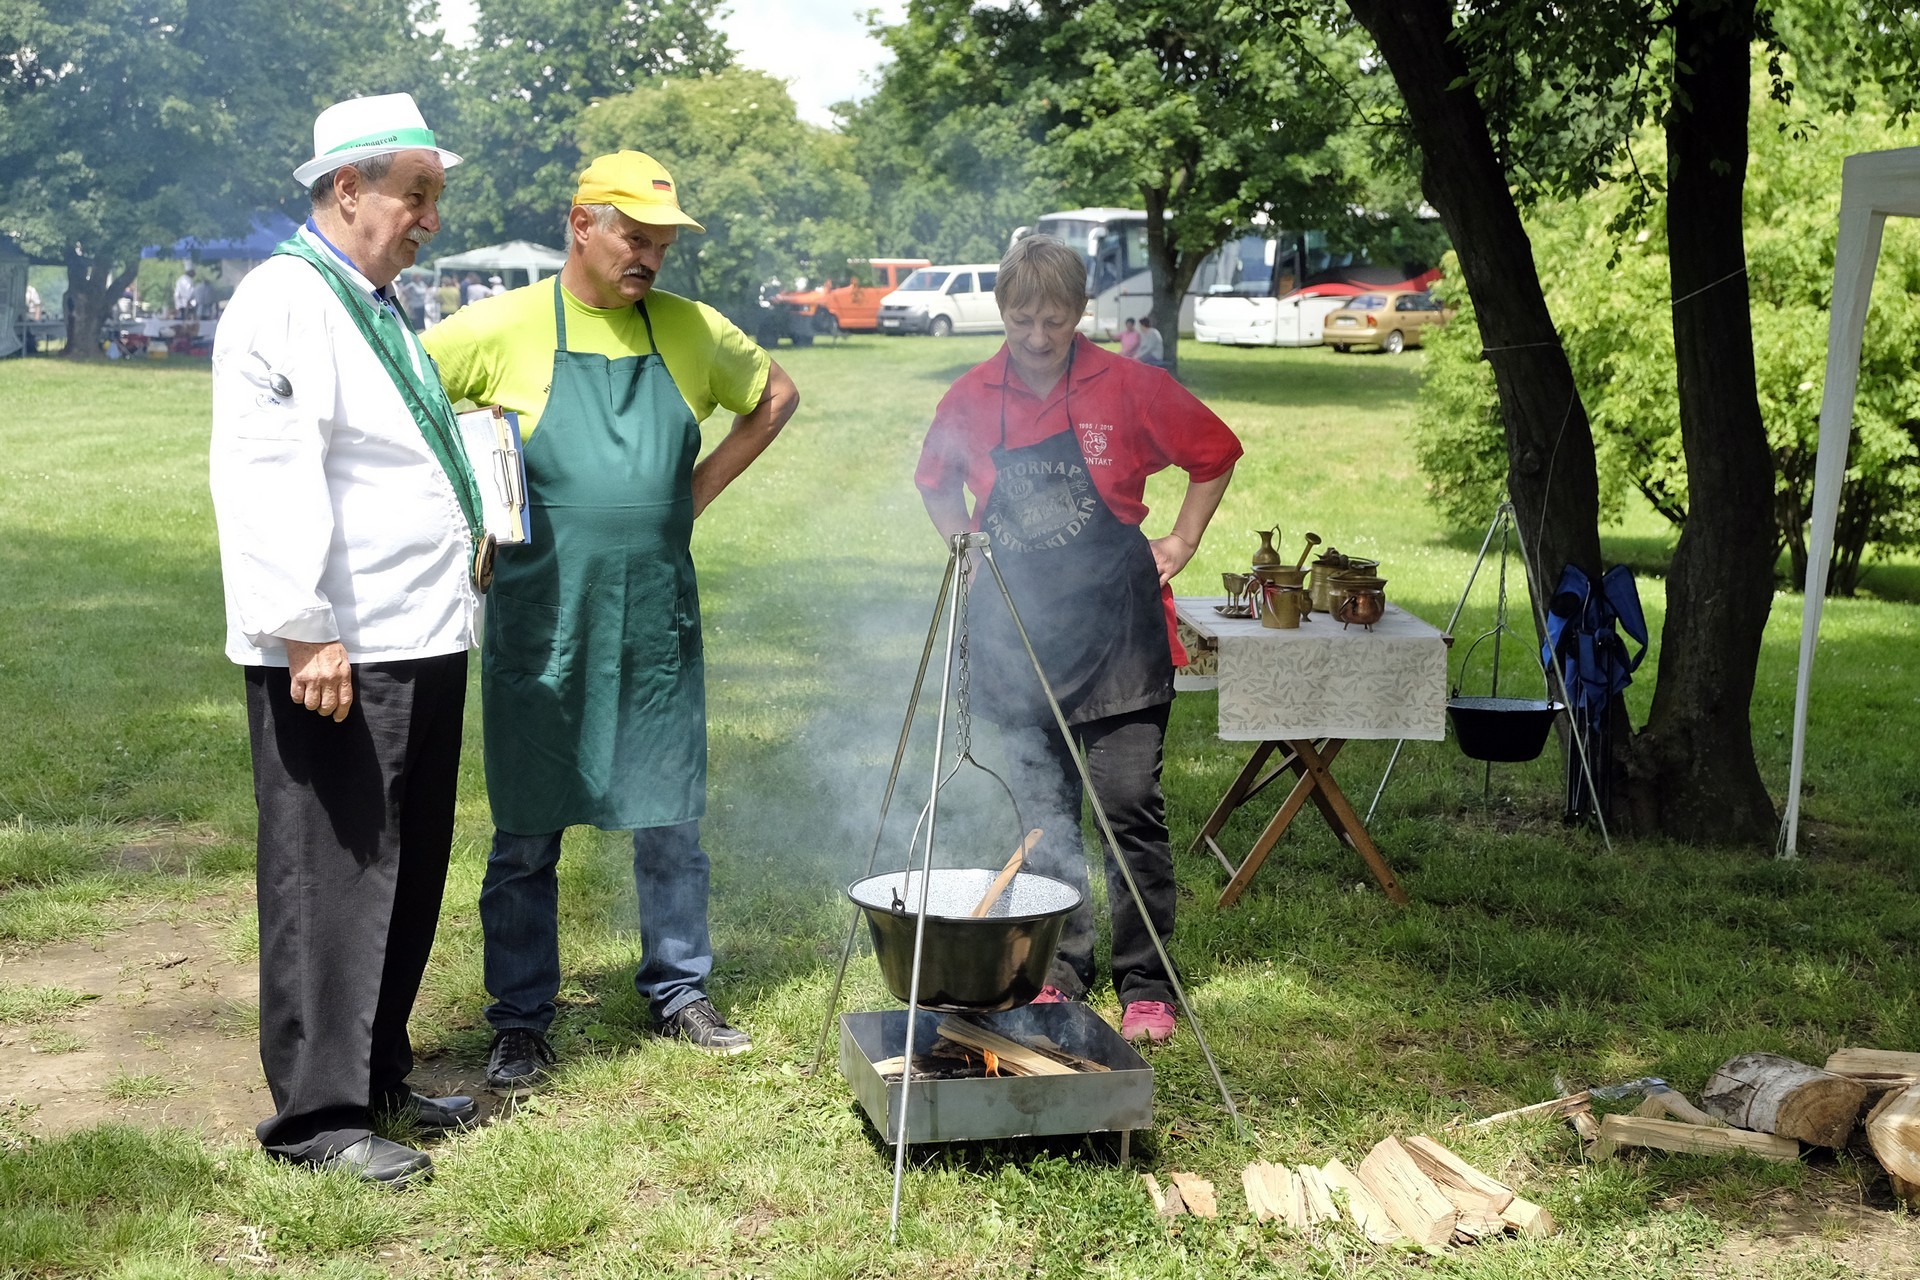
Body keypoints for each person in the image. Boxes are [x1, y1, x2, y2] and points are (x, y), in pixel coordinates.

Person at [422, 150, 799, 1089]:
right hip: (544, 619)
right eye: (635, 236)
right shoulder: (500, 326)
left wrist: (693, 496)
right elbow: (408, 403)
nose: (650, 257)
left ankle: (679, 989)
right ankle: (520, 1018)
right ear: (581, 223)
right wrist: (469, 507)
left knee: (668, 815)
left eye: (662, 243)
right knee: (525, 830)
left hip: (653, 623)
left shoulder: (692, 329)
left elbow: (775, 397)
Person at [209, 91, 483, 1185]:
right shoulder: (287, 299)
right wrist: (303, 629)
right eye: (416, 195)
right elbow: (265, 474)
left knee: (404, 868)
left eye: (435, 198)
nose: (430, 219)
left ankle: (375, 1072)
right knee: (333, 879)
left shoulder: (376, 302)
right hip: (342, 648)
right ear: (347, 187)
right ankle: (317, 1118)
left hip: (418, 630)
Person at [913, 235, 1239, 1045]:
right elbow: (935, 482)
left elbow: (1214, 453)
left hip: (1119, 630)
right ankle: (1058, 968)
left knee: (1128, 805)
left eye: (1054, 320)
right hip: (1018, 633)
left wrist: (1183, 540)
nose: (1037, 336)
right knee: (1043, 811)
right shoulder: (972, 395)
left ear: (1080, 313)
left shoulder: (1129, 386)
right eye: (1022, 319)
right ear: (1001, 312)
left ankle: (1147, 983)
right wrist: (963, 550)